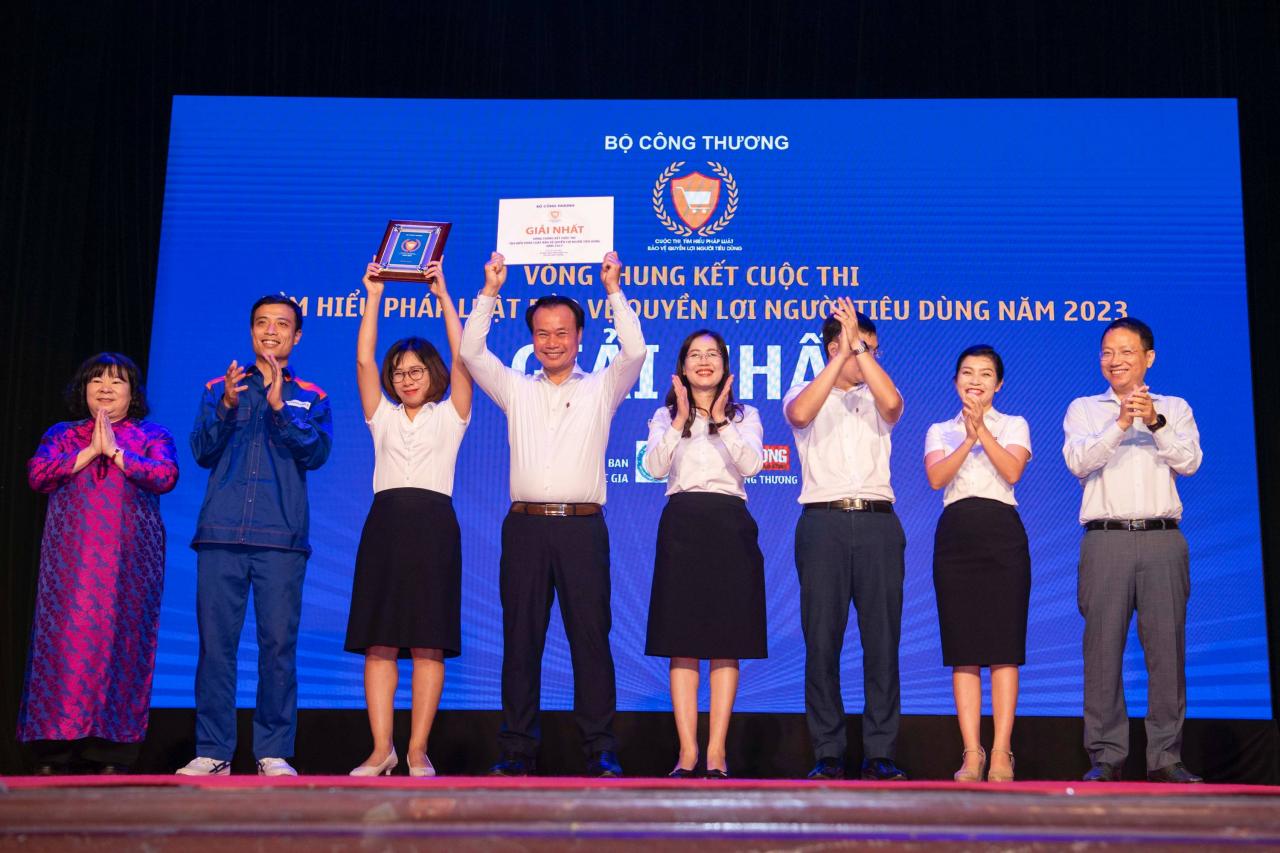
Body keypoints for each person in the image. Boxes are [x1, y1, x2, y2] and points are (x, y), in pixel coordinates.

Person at [460, 250, 645, 777]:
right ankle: (516, 749)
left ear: (579, 337)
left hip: (583, 529)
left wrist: (613, 289)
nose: (553, 342)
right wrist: (491, 290)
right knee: (521, 640)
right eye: (542, 333)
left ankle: (600, 748)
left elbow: (633, 350)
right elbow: (472, 353)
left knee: (591, 639)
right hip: (525, 528)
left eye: (562, 332)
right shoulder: (517, 390)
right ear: (532, 339)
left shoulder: (600, 389)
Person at [177, 296, 333, 777]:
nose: (272, 331)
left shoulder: (312, 394)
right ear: (251, 331)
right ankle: (214, 750)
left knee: (278, 647)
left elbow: (316, 453)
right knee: (215, 646)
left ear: (297, 336)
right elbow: (201, 450)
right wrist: (226, 404)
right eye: (263, 323)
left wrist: (281, 409)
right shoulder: (221, 386)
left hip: (280, 539)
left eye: (282, 325)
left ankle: (272, 751)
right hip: (221, 535)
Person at [21, 353, 179, 774]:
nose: (106, 388)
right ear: (83, 390)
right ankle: (55, 750)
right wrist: (90, 452)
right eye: (96, 381)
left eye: (117, 382)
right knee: (64, 646)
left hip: (131, 565)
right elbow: (38, 474)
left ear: (133, 393)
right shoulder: (62, 434)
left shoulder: (151, 435)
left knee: (124, 645)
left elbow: (165, 475)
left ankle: (113, 751)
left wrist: (118, 454)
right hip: (70, 566)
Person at [344, 258, 472, 778]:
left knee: (427, 640)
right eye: (399, 372)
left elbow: (465, 360)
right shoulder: (382, 416)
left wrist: (443, 294)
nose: (405, 378)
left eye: (415, 370)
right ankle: (382, 750)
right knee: (378, 640)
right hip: (386, 525)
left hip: (435, 526)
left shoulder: (452, 413)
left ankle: (417, 748)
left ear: (432, 374)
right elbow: (363, 363)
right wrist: (373, 295)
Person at [1063, 317, 1203, 783]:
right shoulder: (1084, 409)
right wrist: (1121, 422)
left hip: (1163, 538)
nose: (1115, 359)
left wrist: (1154, 423)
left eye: (1125, 351)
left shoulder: (1174, 407)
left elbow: (1190, 462)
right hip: (1106, 540)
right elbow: (1079, 462)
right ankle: (1105, 756)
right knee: (1101, 650)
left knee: (1167, 650)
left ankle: (1166, 756)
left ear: (1149, 357)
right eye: (1107, 351)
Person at [783, 296, 908, 781]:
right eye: (860, 347)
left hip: (878, 523)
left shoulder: (880, 394)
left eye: (873, 348)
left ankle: (880, 751)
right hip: (823, 524)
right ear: (834, 347)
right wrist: (843, 351)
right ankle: (828, 751)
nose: (868, 356)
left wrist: (861, 350)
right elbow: (798, 416)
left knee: (882, 641)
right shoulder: (804, 388)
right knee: (822, 640)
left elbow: (894, 405)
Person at [642, 330, 766, 778]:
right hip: (682, 526)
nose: (704, 361)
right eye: (695, 355)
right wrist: (680, 422)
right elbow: (654, 468)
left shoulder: (745, 415)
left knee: (726, 642)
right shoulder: (663, 416)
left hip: (730, 526)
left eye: (712, 354)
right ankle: (688, 751)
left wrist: (719, 420)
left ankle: (716, 752)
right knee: (683, 643)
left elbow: (752, 465)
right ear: (682, 367)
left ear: (726, 365)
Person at [924, 345, 1031, 783]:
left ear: (998, 383)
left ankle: (1003, 751)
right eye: (967, 373)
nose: (976, 380)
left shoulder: (1015, 424)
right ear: (955, 382)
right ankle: (972, 752)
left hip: (1002, 535)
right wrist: (967, 436)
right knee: (963, 651)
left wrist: (982, 429)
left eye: (985, 374)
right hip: (956, 537)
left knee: (1004, 650)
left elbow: (1012, 471)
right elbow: (936, 478)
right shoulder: (939, 429)